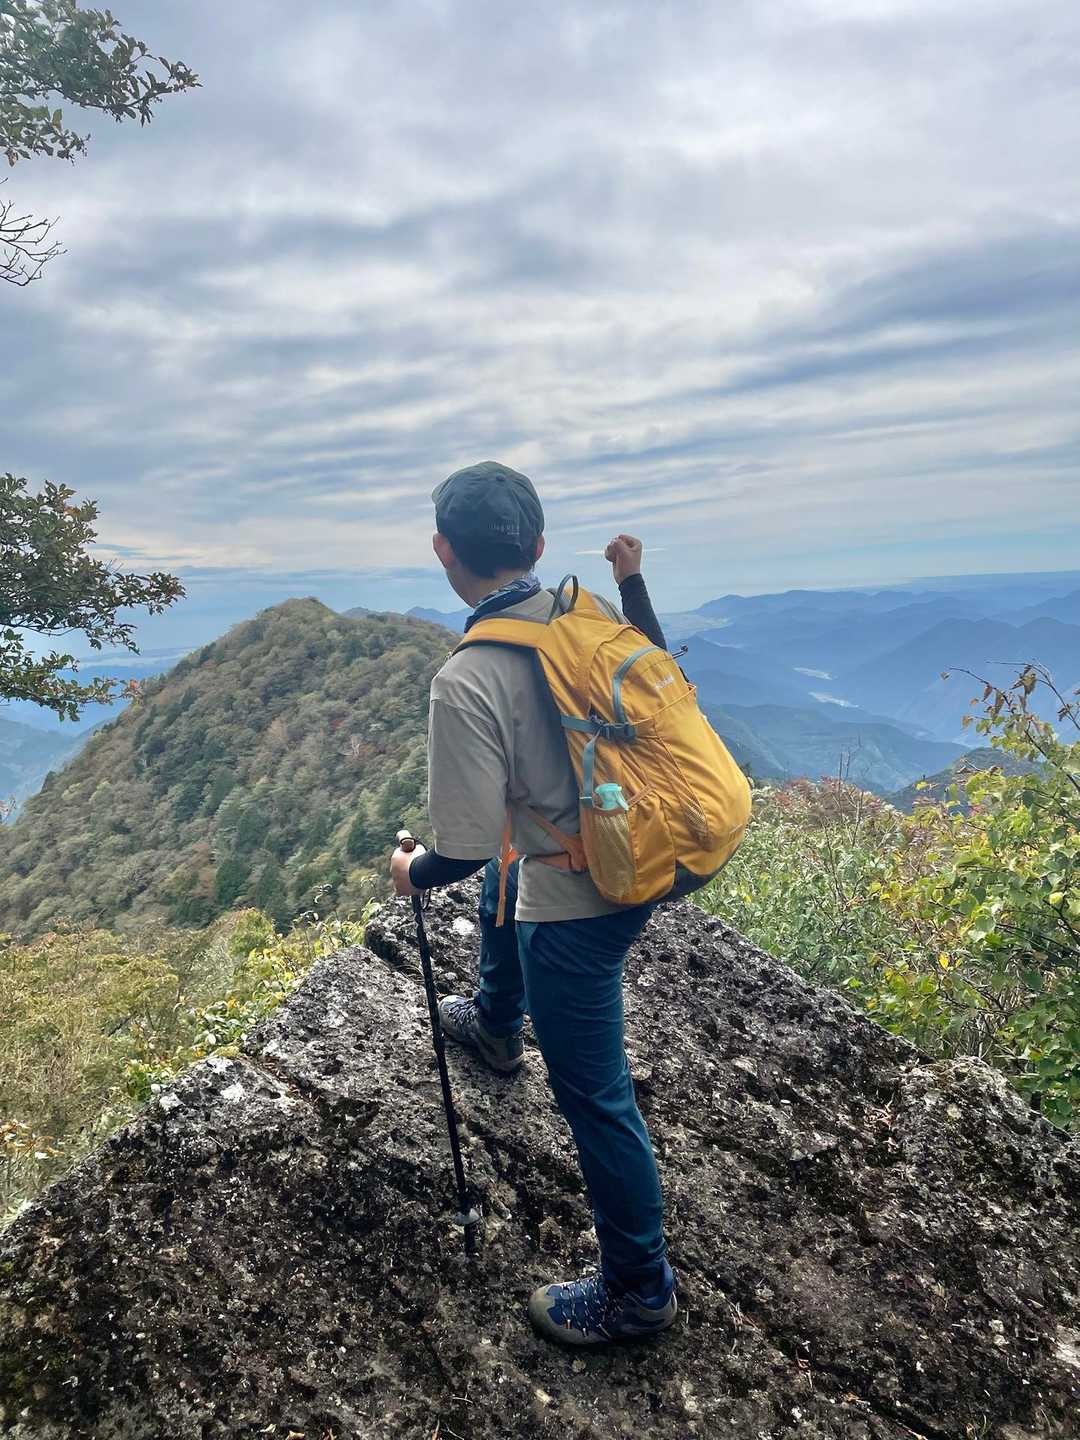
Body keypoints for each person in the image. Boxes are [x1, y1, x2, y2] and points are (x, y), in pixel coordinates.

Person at [389, 460, 677, 1348]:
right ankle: (494, 1023)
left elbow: (467, 844)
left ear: (443, 551)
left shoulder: (468, 677)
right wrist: (632, 583)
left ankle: (640, 1290)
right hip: (650, 846)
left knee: (595, 1094)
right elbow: (662, 672)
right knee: (508, 877)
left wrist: (410, 872)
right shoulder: (585, 615)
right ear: (540, 545)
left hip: (583, 899)